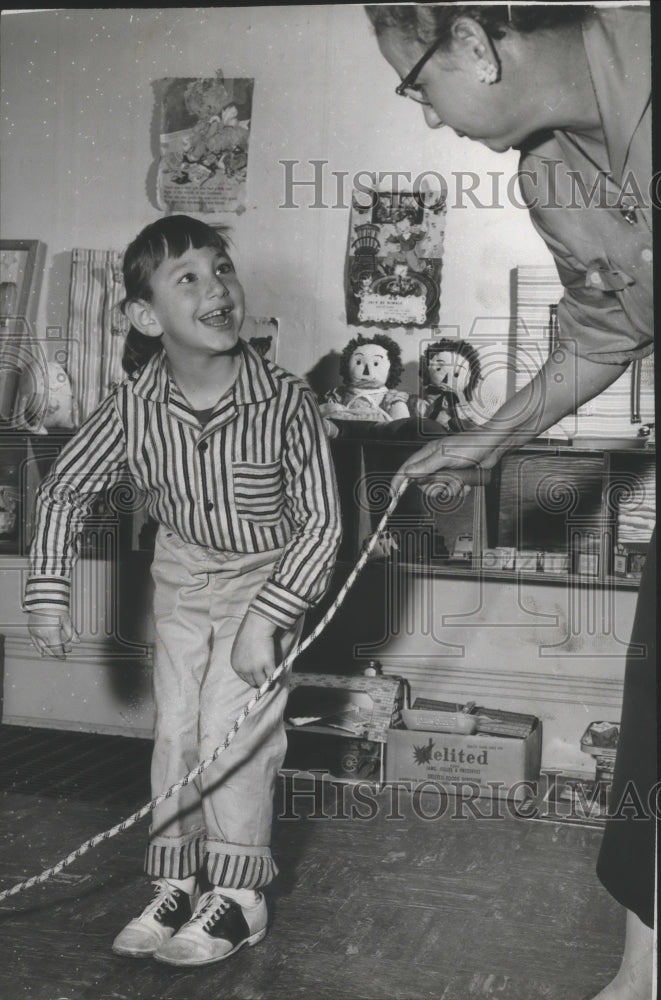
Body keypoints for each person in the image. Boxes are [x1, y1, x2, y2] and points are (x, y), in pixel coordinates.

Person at [365, 4, 655, 998]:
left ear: (475, 46)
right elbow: (599, 331)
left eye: (416, 87)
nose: (432, 119)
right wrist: (488, 439)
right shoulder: (545, 175)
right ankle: (642, 973)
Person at [24, 215, 342, 967]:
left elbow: (322, 526)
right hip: (180, 574)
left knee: (236, 734)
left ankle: (238, 898)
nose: (216, 289)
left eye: (221, 269)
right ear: (144, 316)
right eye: (187, 279)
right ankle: (175, 881)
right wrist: (47, 592)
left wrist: (268, 618)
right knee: (176, 731)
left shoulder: (286, 402)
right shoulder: (134, 405)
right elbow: (65, 490)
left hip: (264, 579)